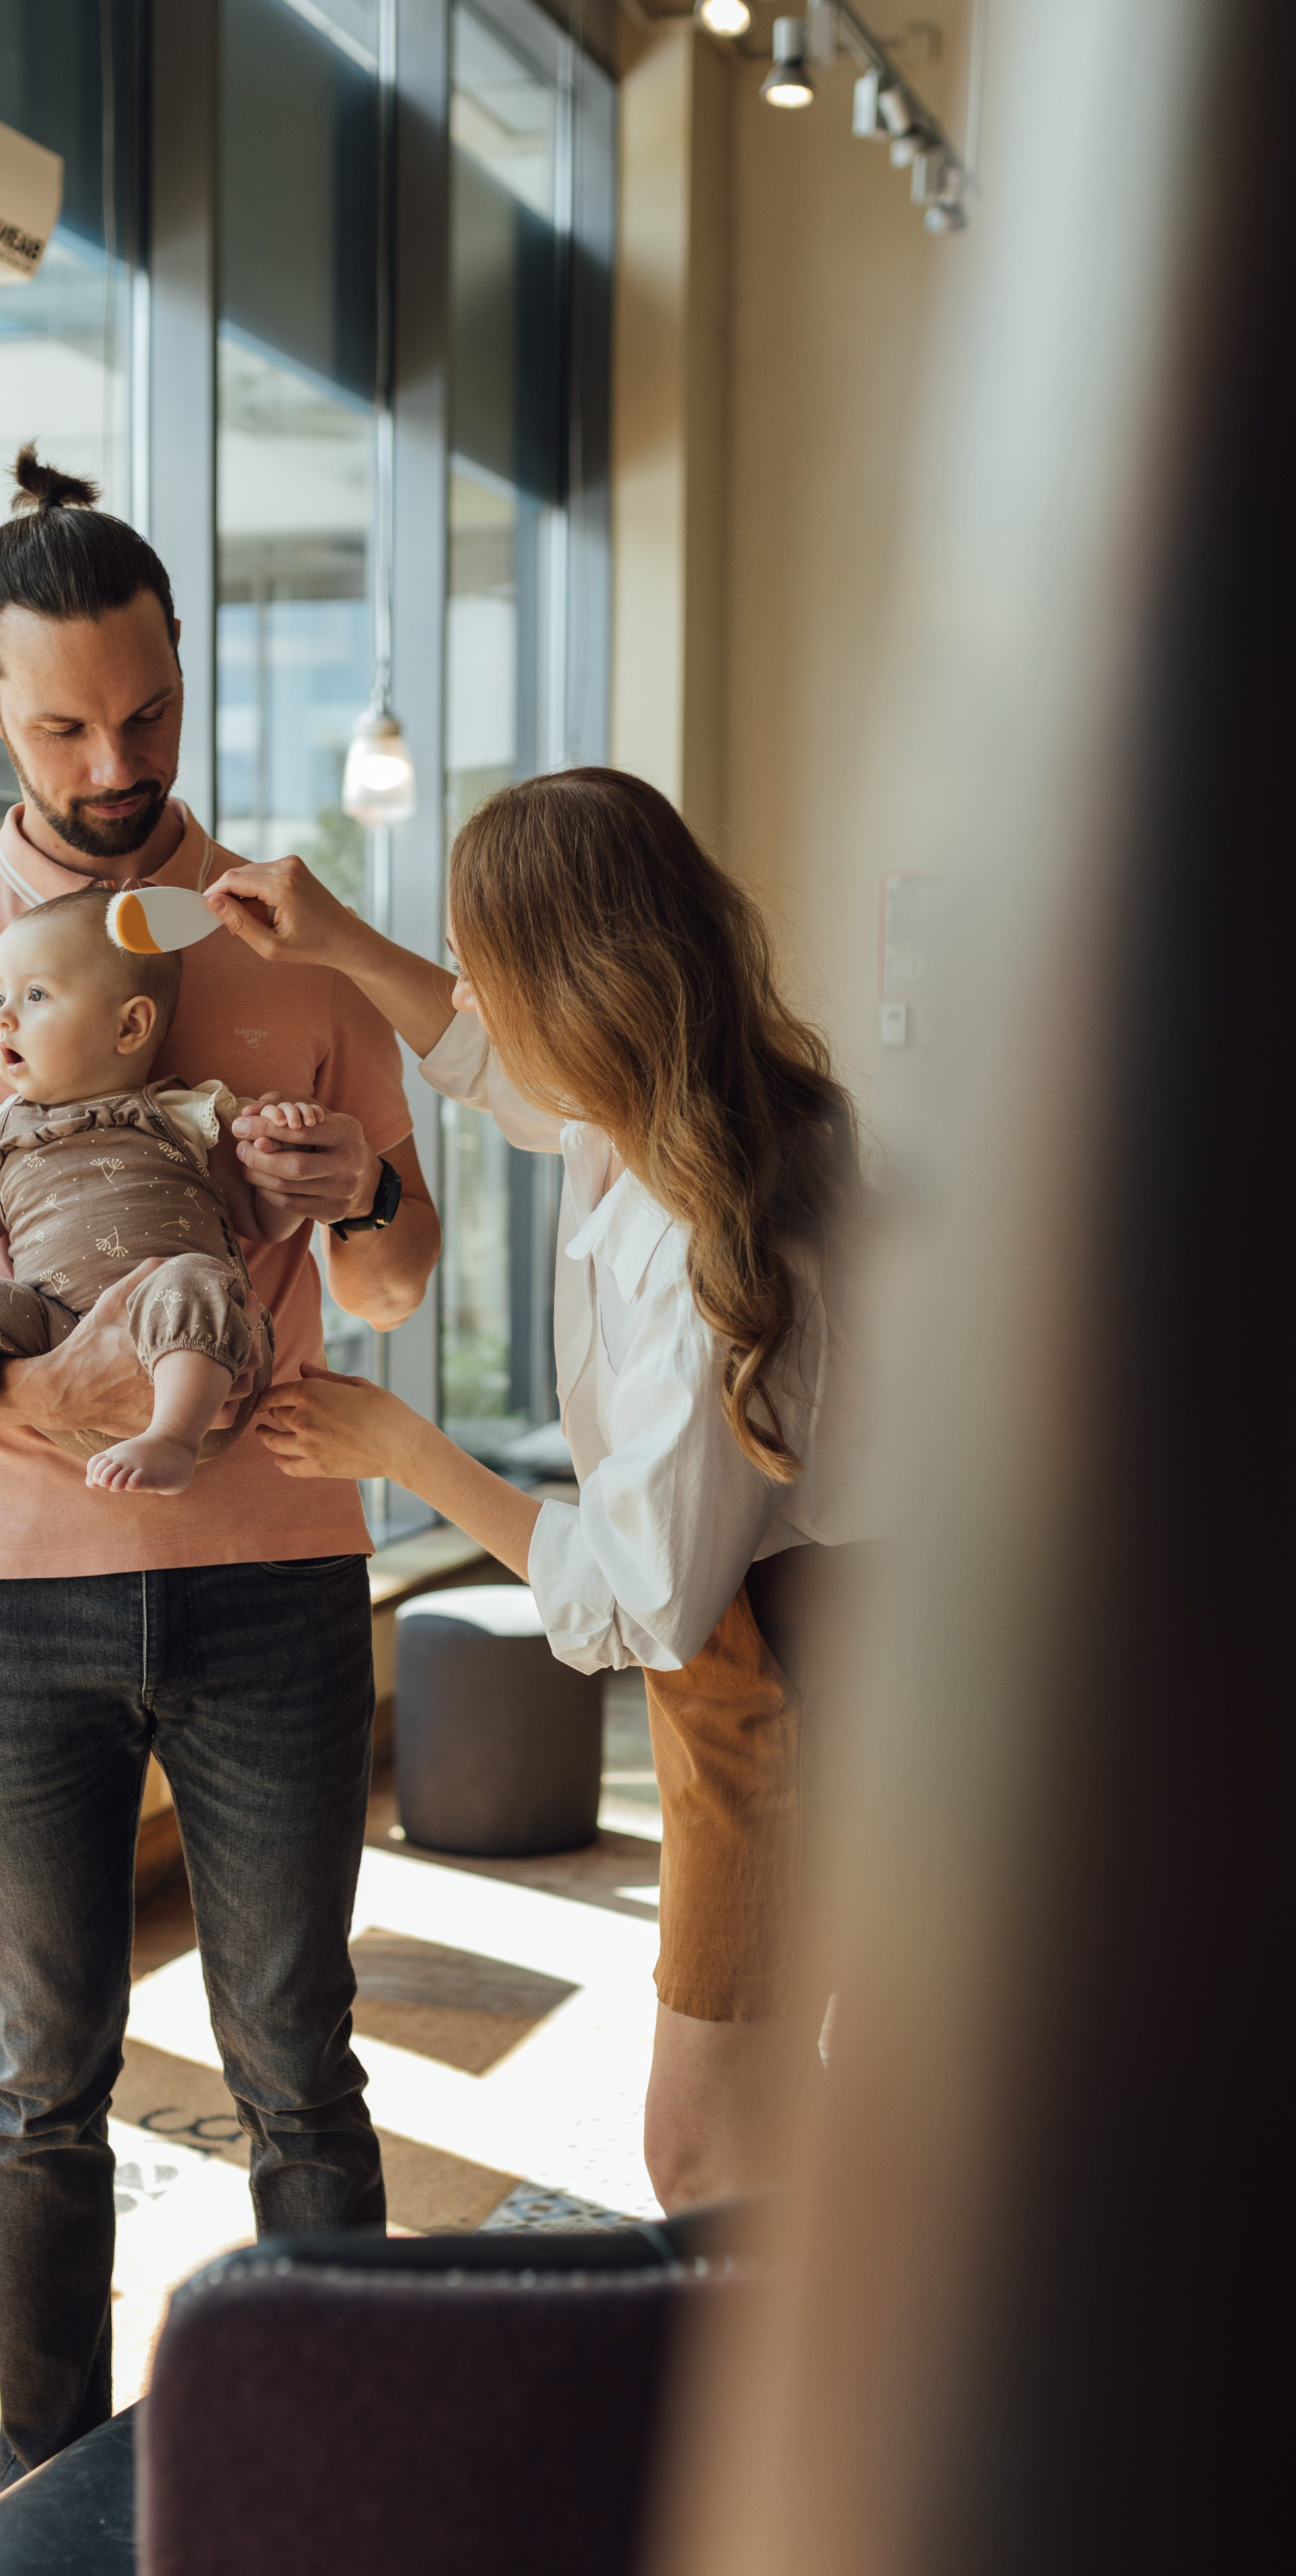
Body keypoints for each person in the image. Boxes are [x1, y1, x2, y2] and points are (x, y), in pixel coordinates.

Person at [0, 447, 440, 2487]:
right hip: (4, 1602)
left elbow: (401, 1284)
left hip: (276, 1574)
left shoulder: (296, 937)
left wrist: (363, 1190)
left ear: (184, 674)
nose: (115, 764)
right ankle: (43, 2501)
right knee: (38, 2076)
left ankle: (340, 2501)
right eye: (64, 726)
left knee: (298, 2065)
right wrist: (20, 1397)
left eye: (147, 714)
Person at [206, 768, 867, 2213]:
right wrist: (339, 940)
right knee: (783, 2109)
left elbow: (642, 1595)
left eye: (482, 969)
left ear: (573, 989)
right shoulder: (667, 1111)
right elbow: (495, 1074)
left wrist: (412, 1454)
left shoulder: (709, 1228)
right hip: (771, 1657)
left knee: (700, 2146)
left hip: (782, 1684)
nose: (466, 1000)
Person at [0, 886, 325, 1510]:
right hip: (55, 1339)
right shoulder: (4, 1140)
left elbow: (260, 1221)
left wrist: (287, 1165)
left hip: (207, 1373)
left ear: (130, 1025)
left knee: (196, 1277)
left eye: (35, 996)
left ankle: (171, 1438)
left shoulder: (179, 1114)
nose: (3, 1018)